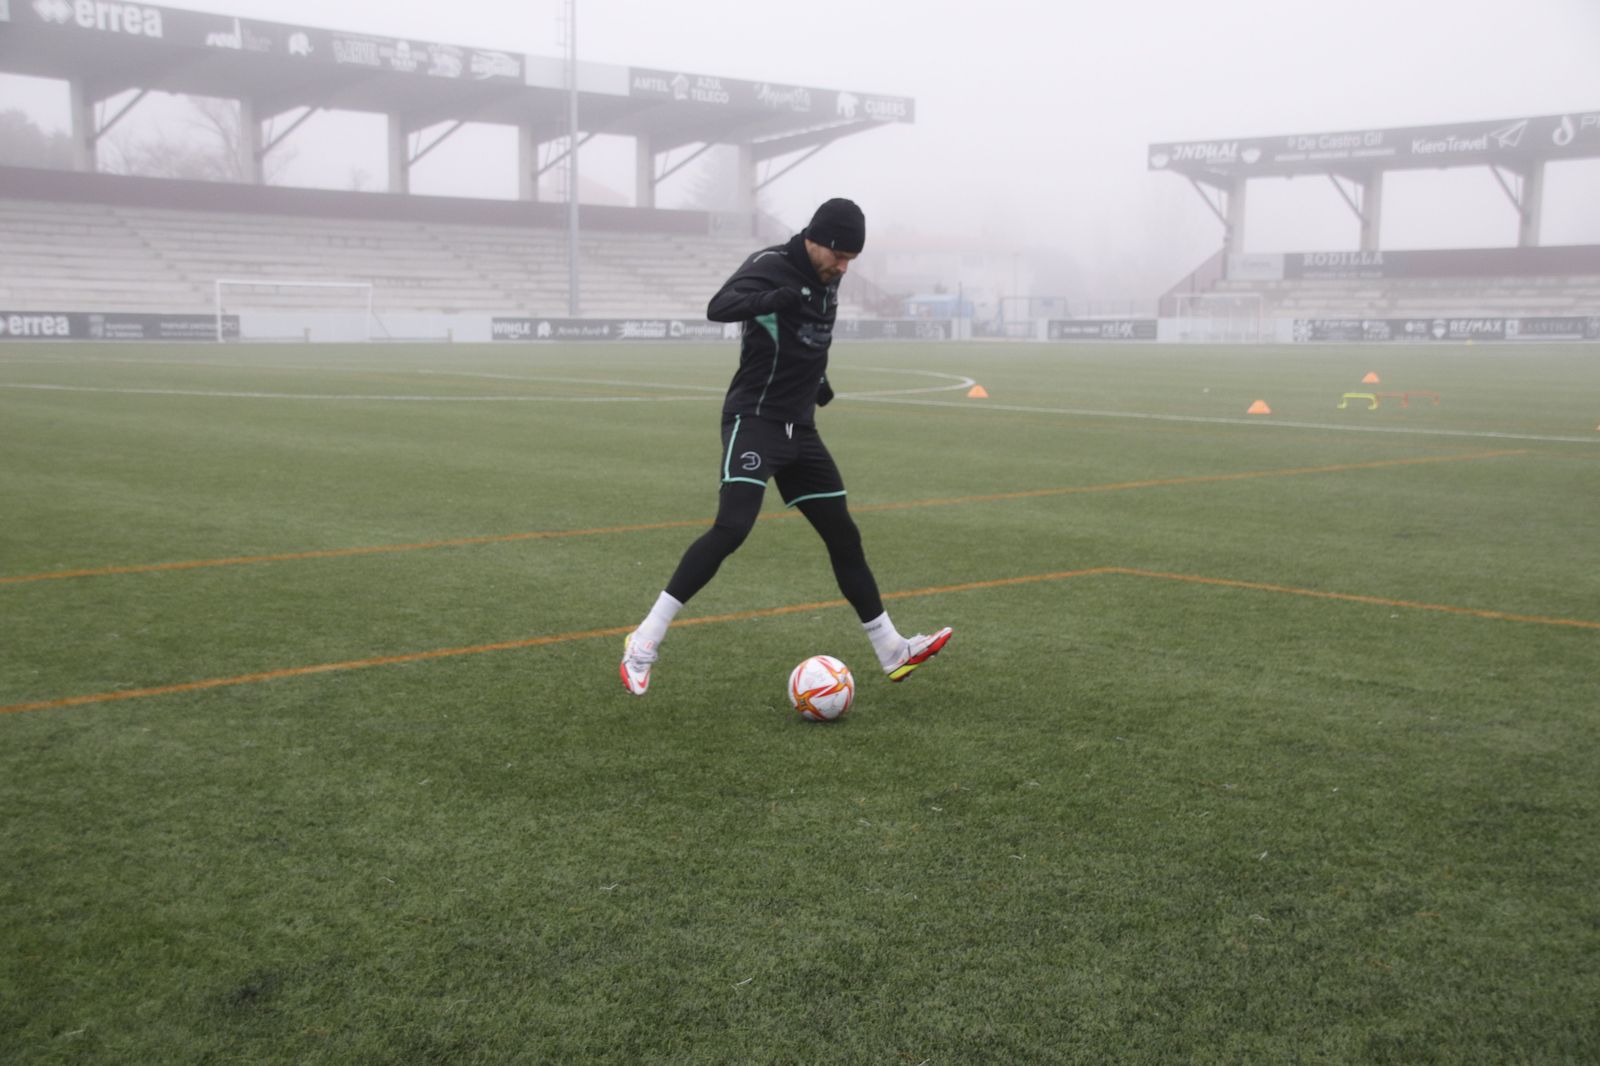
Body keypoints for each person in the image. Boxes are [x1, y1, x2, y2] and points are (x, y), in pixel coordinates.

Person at [620, 197, 951, 696]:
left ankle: (891, 648)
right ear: (815, 238)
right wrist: (772, 299)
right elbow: (719, 307)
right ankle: (644, 641)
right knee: (732, 528)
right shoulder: (771, 266)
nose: (843, 268)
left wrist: (818, 382)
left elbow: (807, 337)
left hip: (801, 428)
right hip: (754, 420)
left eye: (850, 261)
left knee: (844, 535)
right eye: (839, 256)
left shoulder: (829, 277)